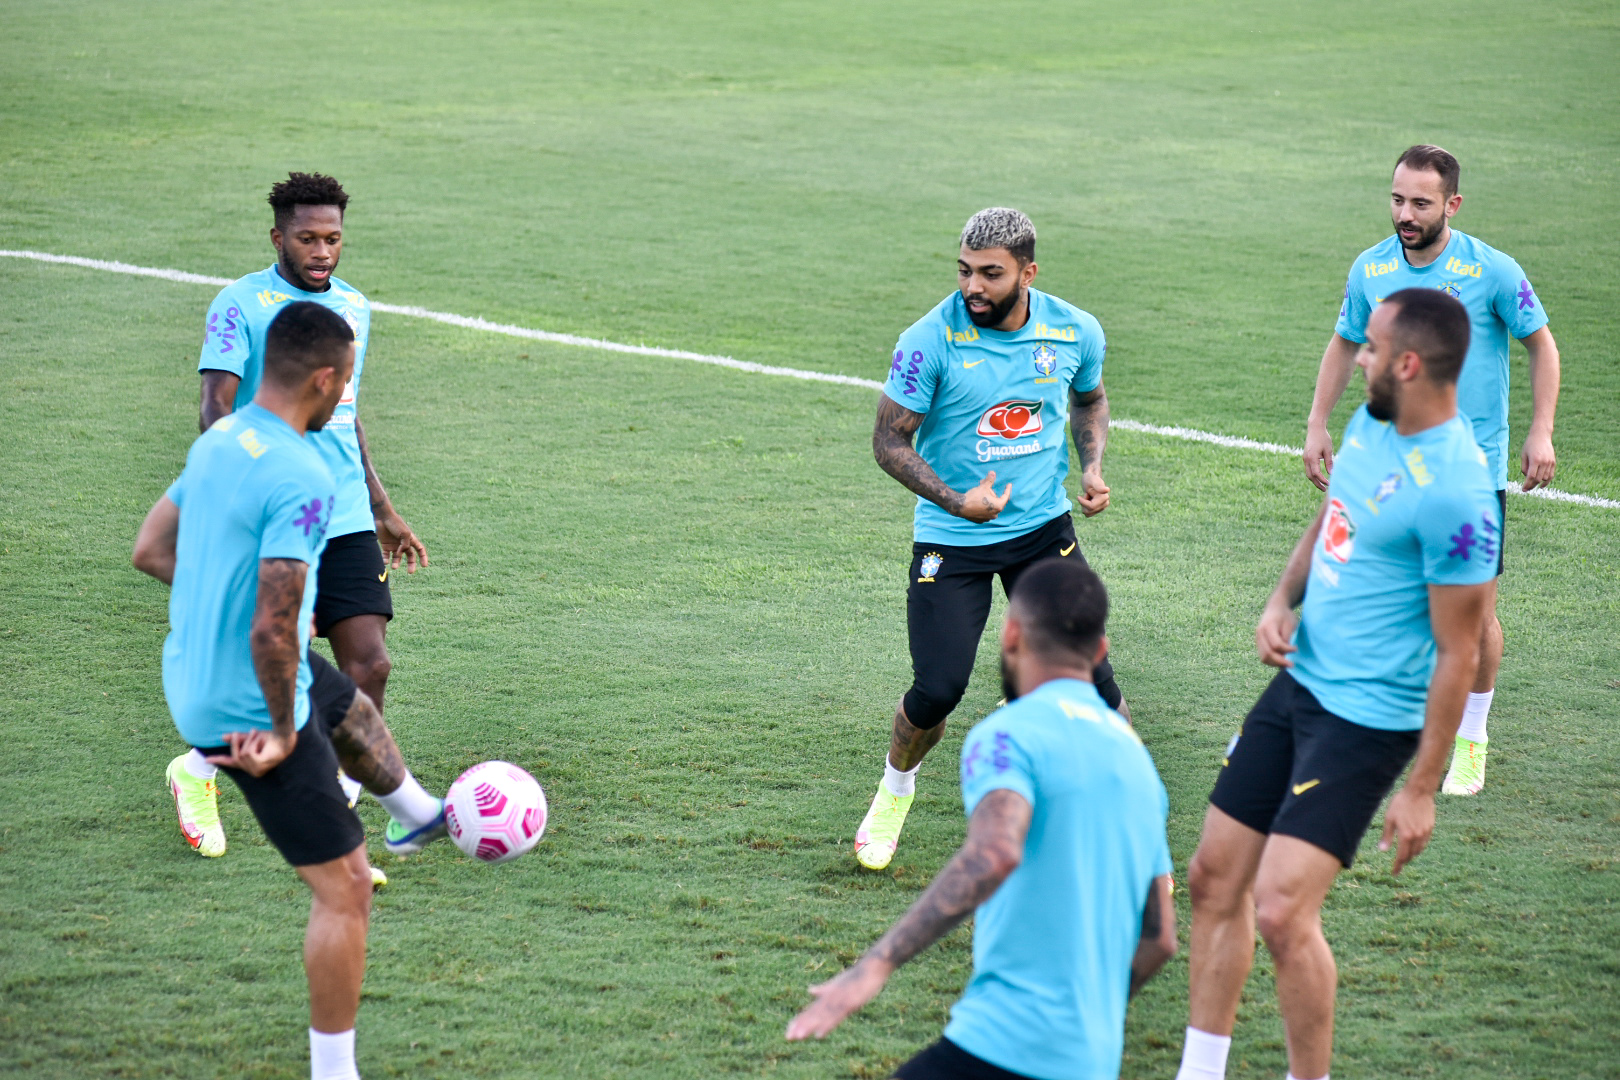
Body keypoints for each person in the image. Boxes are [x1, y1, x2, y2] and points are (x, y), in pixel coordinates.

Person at [1177, 289, 1497, 1080]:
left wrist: (1422, 788)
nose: (1357, 357)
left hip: (1370, 719)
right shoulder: (1371, 422)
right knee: (1213, 877)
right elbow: (1333, 520)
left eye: (1370, 348)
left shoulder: (1458, 492)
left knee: (1283, 911)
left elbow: (1460, 653)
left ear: (1409, 364)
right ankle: (1200, 1070)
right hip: (1299, 685)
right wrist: (1282, 599)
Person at [133, 303, 446, 1080]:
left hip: (203, 670)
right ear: (324, 379)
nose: (347, 398)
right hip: (246, 701)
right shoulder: (302, 473)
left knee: (347, 700)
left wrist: (227, 600)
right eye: (345, 386)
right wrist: (276, 731)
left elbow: (150, 548)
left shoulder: (219, 442)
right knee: (344, 893)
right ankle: (333, 1073)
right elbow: (277, 634)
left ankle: (419, 815)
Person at [790, 559, 1176, 1079]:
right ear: (1100, 651)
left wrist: (876, 963)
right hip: (1090, 1059)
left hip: (1000, 1046)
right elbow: (1160, 940)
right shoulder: (1136, 762)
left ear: (1012, 633)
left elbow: (994, 853)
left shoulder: (1009, 734)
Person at [165, 171, 431, 858]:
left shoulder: (355, 308)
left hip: (339, 509)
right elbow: (214, 412)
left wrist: (381, 506)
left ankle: (340, 794)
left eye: (333, 239)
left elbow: (345, 412)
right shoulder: (240, 304)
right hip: (272, 508)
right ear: (277, 235)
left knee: (368, 665)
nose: (321, 251)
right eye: (307, 238)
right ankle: (196, 771)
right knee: (283, 664)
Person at [854, 206, 1124, 872]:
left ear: (1028, 272)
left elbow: (1089, 398)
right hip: (954, 538)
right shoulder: (929, 339)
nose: (973, 286)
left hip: (1041, 531)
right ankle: (895, 789)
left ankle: (1112, 825)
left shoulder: (1073, 330)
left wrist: (1090, 465)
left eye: (991, 274)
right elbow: (889, 439)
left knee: (1099, 688)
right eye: (965, 270)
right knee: (938, 689)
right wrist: (955, 499)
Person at [1302, 145, 1560, 797]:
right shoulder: (1373, 267)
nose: (1406, 213)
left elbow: (1541, 345)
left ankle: (1471, 738)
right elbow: (1345, 342)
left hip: (1468, 472)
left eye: (1421, 202)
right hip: (1385, 459)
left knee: (1471, 615)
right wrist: (1316, 423)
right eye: (1397, 199)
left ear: (1452, 203)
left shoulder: (1491, 270)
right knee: (1375, 588)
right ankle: (1374, 718)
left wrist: (1540, 429)